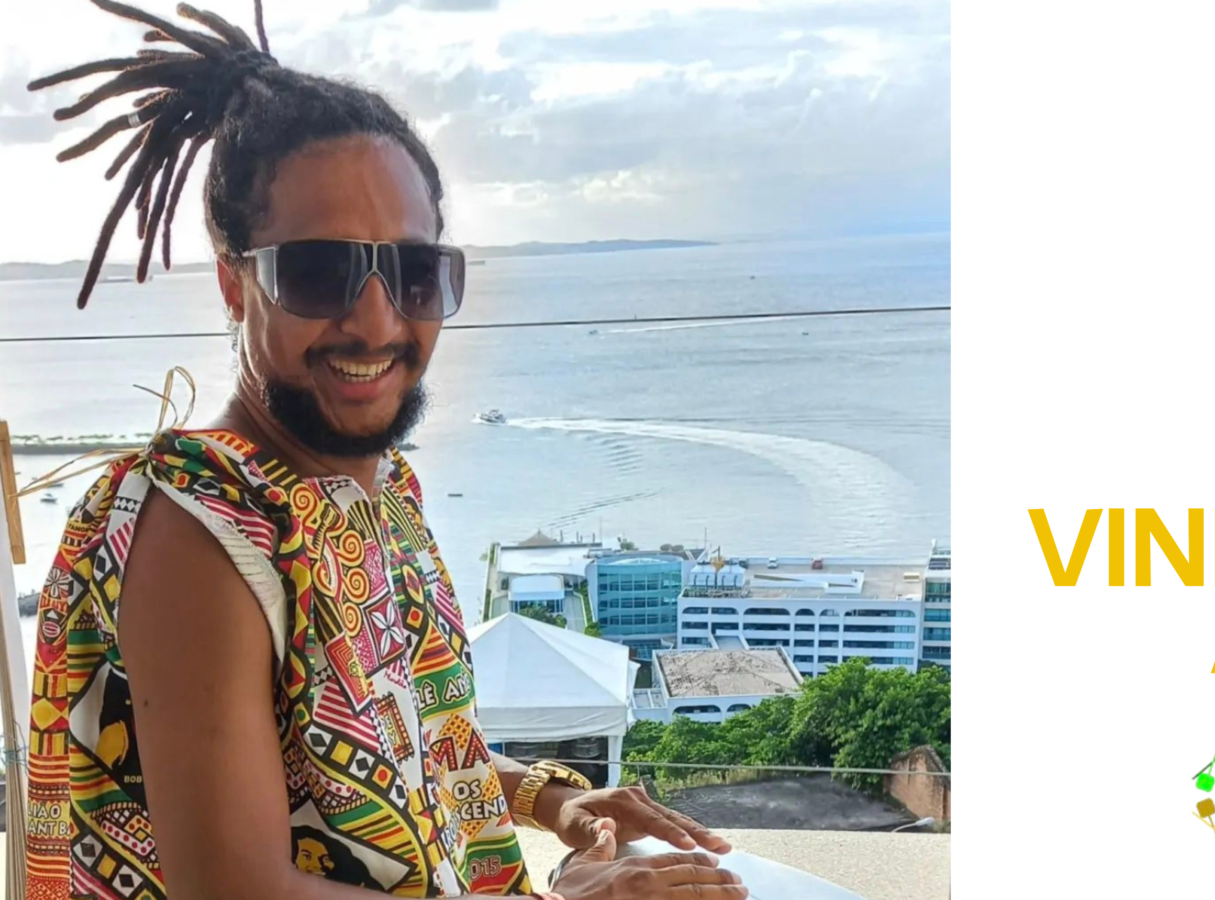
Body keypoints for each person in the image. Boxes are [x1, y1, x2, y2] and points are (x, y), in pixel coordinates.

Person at [22, 3, 746, 898]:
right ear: (232, 280)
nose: (376, 319)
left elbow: (399, 744)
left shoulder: (375, 490)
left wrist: (553, 799)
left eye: (413, 273)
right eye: (320, 272)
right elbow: (240, 890)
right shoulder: (204, 535)